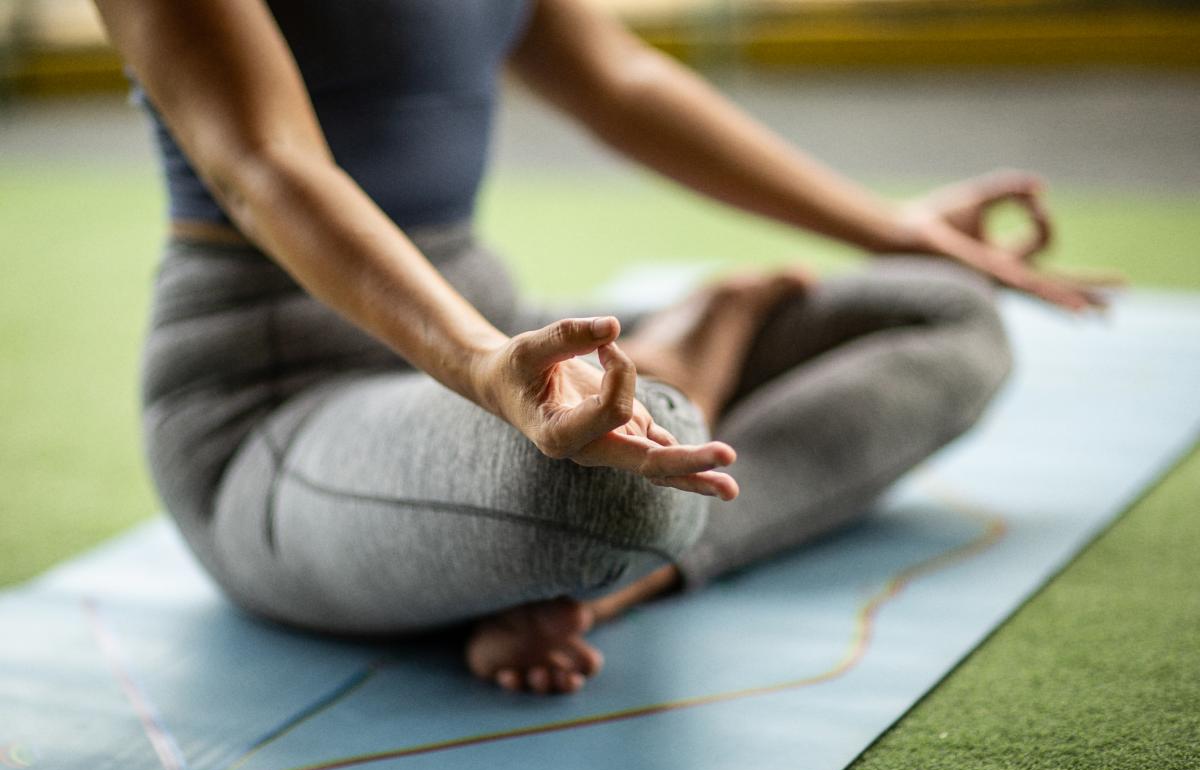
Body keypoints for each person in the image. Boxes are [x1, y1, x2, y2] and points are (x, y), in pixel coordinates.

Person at [95, 0, 1109, 695]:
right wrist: (491, 369)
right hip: (279, 398)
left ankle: (617, 573)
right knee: (609, 484)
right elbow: (266, 166)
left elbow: (621, 81)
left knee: (943, 314)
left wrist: (895, 229)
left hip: (487, 331)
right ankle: (675, 382)